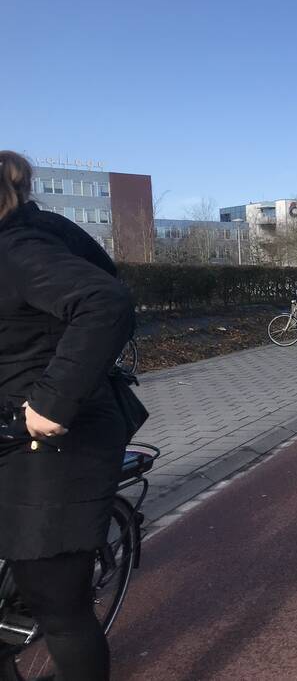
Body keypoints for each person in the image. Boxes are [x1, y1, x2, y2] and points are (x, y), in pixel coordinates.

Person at [0, 150, 136, 681]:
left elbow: (105, 302)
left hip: (53, 437)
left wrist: (50, 402)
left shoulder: (18, 248)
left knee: (60, 607)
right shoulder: (41, 232)